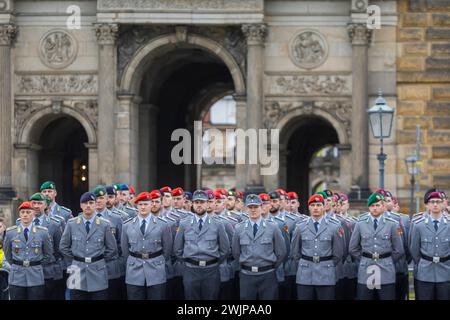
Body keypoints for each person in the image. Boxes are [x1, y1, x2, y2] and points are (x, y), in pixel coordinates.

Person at [59, 192, 118, 300]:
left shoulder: (104, 224)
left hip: (98, 270)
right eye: (85, 203)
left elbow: (112, 248)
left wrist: (100, 260)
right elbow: (63, 246)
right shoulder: (72, 224)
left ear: (95, 205)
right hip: (76, 270)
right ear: (81, 205)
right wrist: (75, 260)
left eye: (91, 203)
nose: (88, 205)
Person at [173, 190, 230, 300]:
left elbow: (225, 249)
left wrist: (214, 262)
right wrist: (188, 262)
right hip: (190, 269)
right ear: (193, 204)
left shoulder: (217, 224)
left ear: (207, 203)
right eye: (196, 202)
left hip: (211, 270)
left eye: (202, 202)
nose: (199, 205)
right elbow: (177, 249)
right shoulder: (184, 223)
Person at [349, 192, 404, 300]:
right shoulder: (360, 224)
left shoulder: (392, 224)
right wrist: (364, 259)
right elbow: (353, 248)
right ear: (368, 207)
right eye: (372, 206)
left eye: (378, 205)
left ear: (383, 206)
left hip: (386, 269)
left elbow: (399, 250)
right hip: (366, 269)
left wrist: (387, 260)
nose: (375, 208)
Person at [232, 194, 286, 300]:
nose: (253, 210)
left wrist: (271, 266)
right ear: (246, 209)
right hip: (247, 275)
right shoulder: (239, 228)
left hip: (267, 275)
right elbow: (236, 252)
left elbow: (281, 252)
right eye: (250, 207)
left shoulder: (272, 227)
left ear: (261, 207)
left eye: (256, 207)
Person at [291, 194, 344, 300]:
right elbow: (295, 252)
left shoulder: (334, 226)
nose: (316, 208)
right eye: (313, 205)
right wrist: (305, 263)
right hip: (305, 274)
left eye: (319, 205)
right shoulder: (300, 227)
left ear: (324, 207)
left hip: (326, 273)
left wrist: (326, 263)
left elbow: (338, 253)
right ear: (309, 207)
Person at [121, 191, 173, 300]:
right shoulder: (127, 225)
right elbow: (125, 250)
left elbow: (167, 249)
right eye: (140, 204)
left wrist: (159, 260)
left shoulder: (163, 224)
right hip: (134, 270)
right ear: (136, 206)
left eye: (146, 204)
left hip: (156, 269)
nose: (143, 207)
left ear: (151, 204)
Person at [3, 201, 53, 300]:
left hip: (35, 275)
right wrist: (17, 264)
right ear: (19, 214)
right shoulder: (11, 233)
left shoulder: (42, 232)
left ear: (33, 213)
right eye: (23, 212)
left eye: (28, 212)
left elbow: (48, 254)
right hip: (17, 276)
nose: (25, 215)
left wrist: (36, 264)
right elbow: (8, 254)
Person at [409, 191, 450, 300]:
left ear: (443, 204)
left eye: (438, 202)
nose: (435, 204)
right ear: (427, 205)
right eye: (432, 202)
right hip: (425, 273)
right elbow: (414, 249)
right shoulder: (419, 224)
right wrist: (424, 262)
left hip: (446, 272)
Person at [28, 192, 63, 299]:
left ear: (46, 205)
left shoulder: (54, 224)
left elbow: (58, 250)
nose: (36, 206)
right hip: (29, 272)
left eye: (40, 203)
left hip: (48, 272)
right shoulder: (21, 222)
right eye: (34, 203)